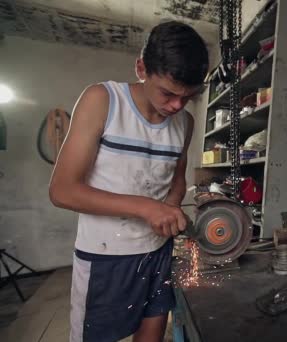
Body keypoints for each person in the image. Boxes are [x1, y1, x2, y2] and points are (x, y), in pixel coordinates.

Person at [49, 21, 209, 342]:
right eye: (168, 93)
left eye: (188, 97)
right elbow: (62, 190)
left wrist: (172, 205)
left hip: (158, 253)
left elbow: (176, 179)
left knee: (151, 335)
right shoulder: (103, 100)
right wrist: (146, 208)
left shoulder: (184, 122)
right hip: (107, 256)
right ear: (141, 68)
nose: (176, 106)